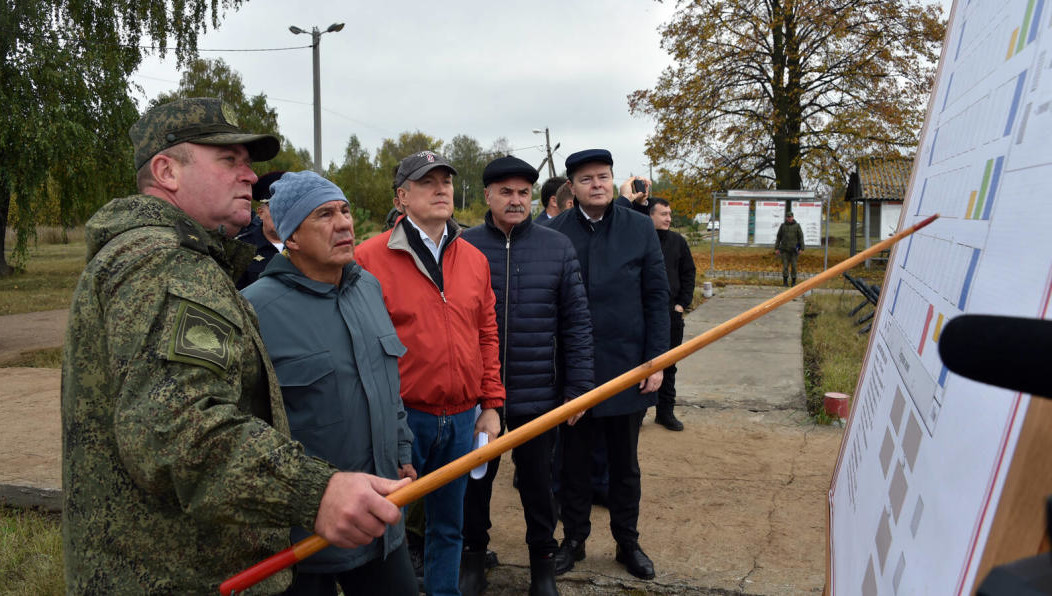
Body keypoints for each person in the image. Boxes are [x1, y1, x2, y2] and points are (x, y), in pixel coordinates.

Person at [60, 97, 408, 593]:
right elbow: (178, 427)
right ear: (166, 172)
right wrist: (316, 491)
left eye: (248, 162)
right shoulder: (168, 265)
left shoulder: (157, 255)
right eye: (229, 160)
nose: (250, 176)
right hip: (174, 572)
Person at [241, 171, 418, 596]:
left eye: (345, 211)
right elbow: (243, 425)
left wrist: (401, 449)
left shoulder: (367, 288)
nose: (344, 224)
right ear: (292, 237)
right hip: (303, 536)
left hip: (380, 517)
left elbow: (387, 384)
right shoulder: (254, 310)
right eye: (323, 215)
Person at [354, 150, 505, 596]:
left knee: (449, 526)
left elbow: (487, 334)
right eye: (427, 182)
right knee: (388, 528)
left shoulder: (473, 259)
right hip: (404, 418)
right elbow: (360, 348)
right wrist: (384, 420)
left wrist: (491, 405)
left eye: (446, 181)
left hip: (461, 417)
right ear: (401, 198)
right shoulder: (368, 259)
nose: (441, 189)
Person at [459, 156, 595, 596]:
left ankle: (542, 569)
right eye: (506, 192)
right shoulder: (464, 247)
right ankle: (472, 561)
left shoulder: (557, 247)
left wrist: (579, 388)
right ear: (488, 196)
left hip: (539, 396)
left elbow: (577, 322)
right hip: (480, 399)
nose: (516, 201)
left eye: (523, 193)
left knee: (538, 488)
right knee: (474, 487)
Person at [545, 149, 670, 581]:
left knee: (624, 465)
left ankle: (627, 542)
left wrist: (657, 360)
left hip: (627, 369)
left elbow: (656, 296)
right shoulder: (555, 233)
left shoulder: (639, 227)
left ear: (613, 180)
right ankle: (573, 540)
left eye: (603, 176)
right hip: (572, 374)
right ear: (572, 188)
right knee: (572, 464)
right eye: (586, 179)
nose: (596, 184)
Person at [648, 197, 697, 432]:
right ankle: (636, 413)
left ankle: (665, 412)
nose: (668, 218)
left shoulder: (678, 242)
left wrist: (681, 305)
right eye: (663, 214)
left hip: (671, 315)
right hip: (644, 315)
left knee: (668, 366)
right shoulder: (640, 240)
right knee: (640, 366)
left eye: (669, 214)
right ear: (650, 215)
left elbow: (689, 273)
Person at [235, 170, 285, 289]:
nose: (280, 215)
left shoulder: (304, 245)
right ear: (261, 213)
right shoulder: (243, 247)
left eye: (285, 208)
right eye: (274, 208)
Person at [775, 210, 805, 286]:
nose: (789, 218)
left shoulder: (797, 226)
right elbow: (778, 237)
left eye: (790, 217)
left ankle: (793, 282)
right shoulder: (783, 226)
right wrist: (777, 248)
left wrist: (802, 248)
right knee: (785, 266)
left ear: (793, 217)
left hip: (794, 251)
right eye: (788, 217)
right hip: (784, 250)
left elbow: (801, 237)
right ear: (786, 218)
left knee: (794, 266)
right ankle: (785, 282)